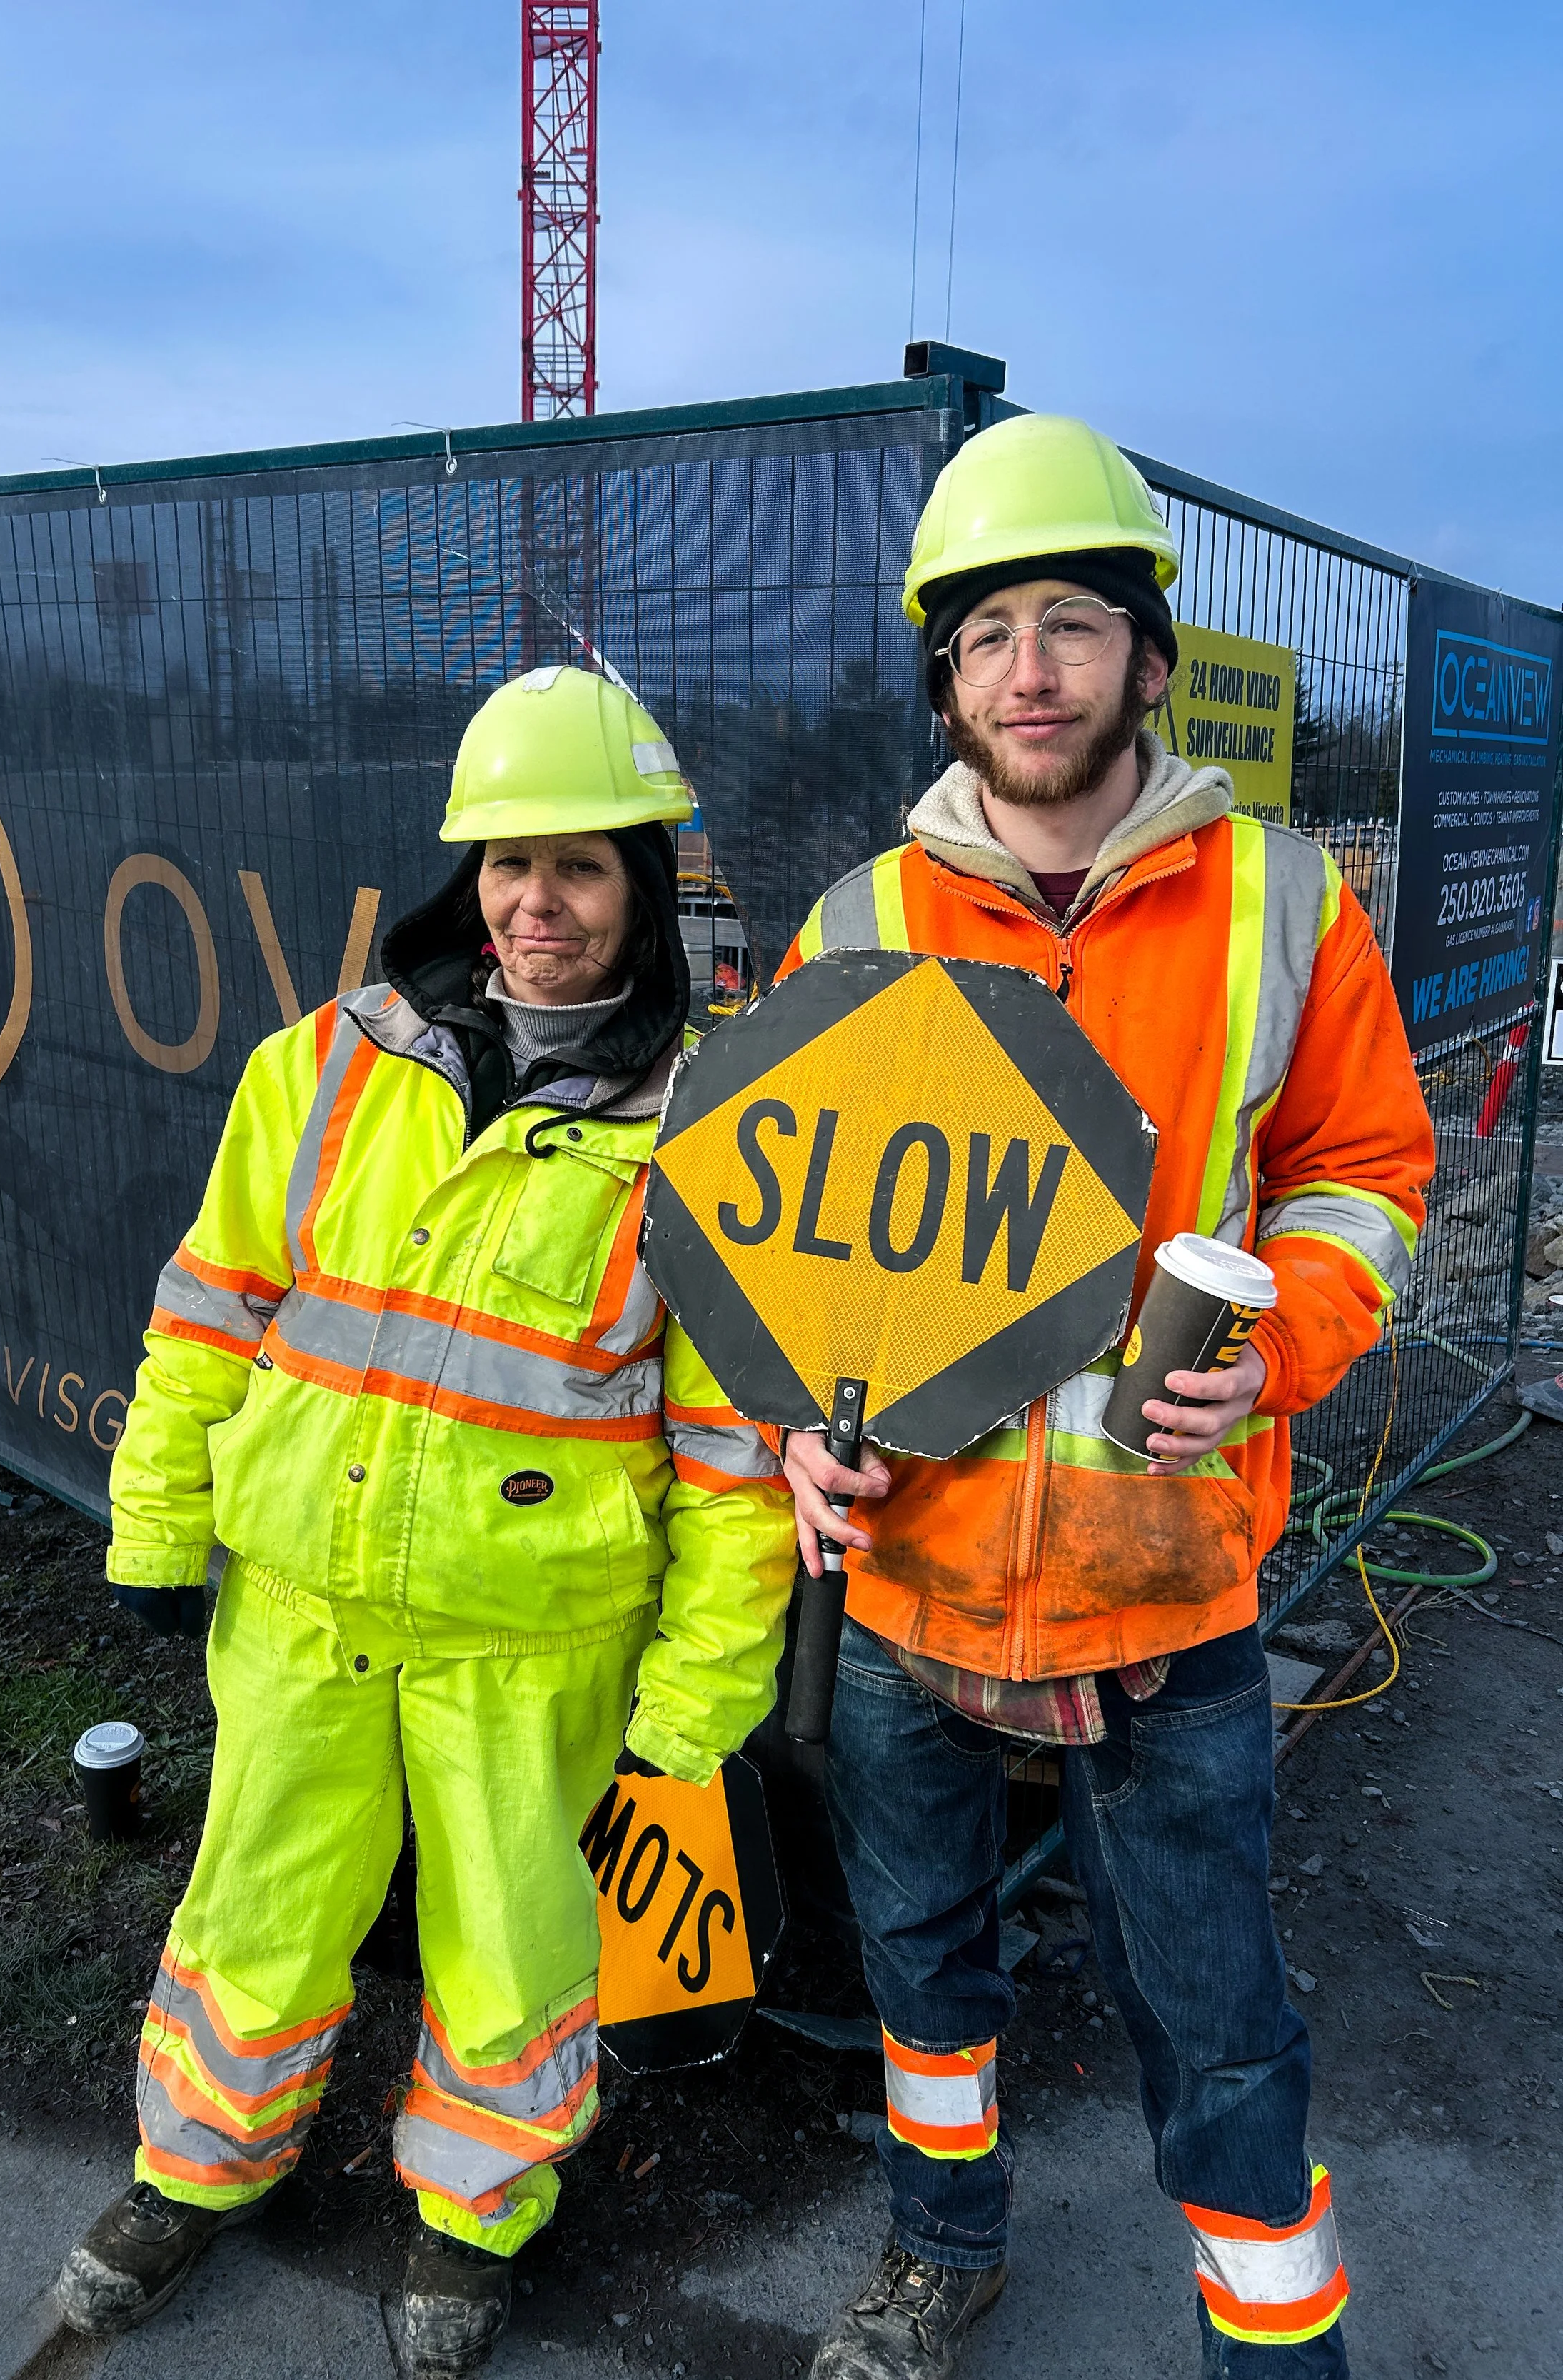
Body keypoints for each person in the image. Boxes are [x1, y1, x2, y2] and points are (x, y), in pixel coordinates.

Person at [778, 415, 1432, 2379]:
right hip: (913, 1575)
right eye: (983, 634)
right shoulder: (855, 928)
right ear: (947, 678)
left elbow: (1364, 1172)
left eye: (1071, 620)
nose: (1028, 667)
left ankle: (1268, 2341)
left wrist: (1280, 1338)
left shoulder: (1279, 903)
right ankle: (940, 2246)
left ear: (1150, 658)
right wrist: (796, 1429)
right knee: (917, 1961)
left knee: (1216, 2011)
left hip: (1169, 1582)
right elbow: (774, 1247)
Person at [54, 665, 795, 2377]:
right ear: (464, 878)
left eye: (582, 869)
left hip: (532, 1649)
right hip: (301, 1606)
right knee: (257, 1903)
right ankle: (194, 2170)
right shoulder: (321, 1067)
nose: (537, 905)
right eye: (507, 866)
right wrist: (161, 1516)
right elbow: (210, 1309)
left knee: (518, 1950)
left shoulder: (709, 1133)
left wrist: (690, 1711)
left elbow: (732, 1458)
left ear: (644, 893)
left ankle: (471, 2224)